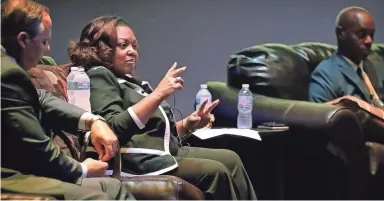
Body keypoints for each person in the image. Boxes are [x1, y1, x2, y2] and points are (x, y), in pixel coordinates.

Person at [68, 15, 257, 200]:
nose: (132, 51)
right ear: (103, 48)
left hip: (162, 153)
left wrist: (189, 124)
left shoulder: (129, 83)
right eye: (123, 45)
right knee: (217, 172)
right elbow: (112, 129)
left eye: (134, 46)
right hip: (132, 163)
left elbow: (152, 136)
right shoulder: (99, 76)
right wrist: (158, 94)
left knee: (231, 159)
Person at [1, 1, 135, 200]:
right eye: (44, 41)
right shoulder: (7, 74)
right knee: (101, 197)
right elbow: (36, 149)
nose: (48, 49)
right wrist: (81, 169)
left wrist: (92, 120)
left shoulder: (12, 73)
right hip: (8, 176)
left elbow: (41, 98)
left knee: (114, 188)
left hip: (18, 170)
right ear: (23, 39)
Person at [309, 6, 383, 108]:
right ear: (341, 33)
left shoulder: (377, 65)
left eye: (371, 34)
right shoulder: (325, 74)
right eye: (361, 34)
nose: (369, 41)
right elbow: (318, 118)